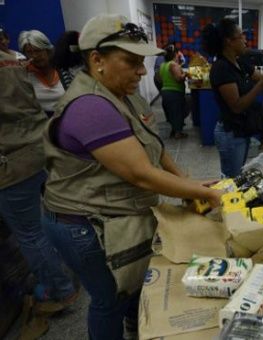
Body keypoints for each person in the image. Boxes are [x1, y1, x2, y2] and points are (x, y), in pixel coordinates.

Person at [41, 14, 222, 340]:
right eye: (131, 61)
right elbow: (140, 173)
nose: (141, 71)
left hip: (114, 212)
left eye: (142, 62)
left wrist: (187, 182)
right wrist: (206, 194)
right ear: (97, 60)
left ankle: (136, 328)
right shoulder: (90, 107)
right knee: (108, 300)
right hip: (84, 224)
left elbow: (153, 145)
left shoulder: (125, 94)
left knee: (133, 290)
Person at [0, 37, 78, 314]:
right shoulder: (16, 61)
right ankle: (70, 270)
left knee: (30, 233)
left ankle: (60, 290)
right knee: (49, 218)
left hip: (10, 159)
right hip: (37, 147)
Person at [202, 18, 263, 178]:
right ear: (229, 41)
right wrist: (261, 85)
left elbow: (259, 77)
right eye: (241, 35)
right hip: (230, 133)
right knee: (231, 179)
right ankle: (225, 202)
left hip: (242, 130)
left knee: (238, 174)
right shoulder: (221, 68)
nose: (245, 39)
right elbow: (236, 106)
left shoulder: (239, 62)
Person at [19, 30, 65, 116]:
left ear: (47, 50)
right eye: (29, 52)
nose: (34, 56)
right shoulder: (25, 75)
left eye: (38, 51)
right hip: (41, 124)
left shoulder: (63, 70)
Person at [160, 44, 188, 139]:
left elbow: (160, 79)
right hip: (174, 92)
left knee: (171, 112)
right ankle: (178, 133)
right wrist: (186, 74)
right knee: (178, 111)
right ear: (175, 54)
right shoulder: (173, 64)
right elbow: (179, 79)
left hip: (165, 92)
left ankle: (174, 130)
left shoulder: (163, 65)